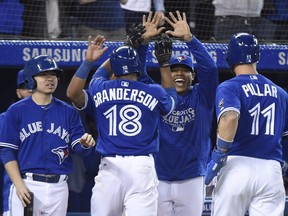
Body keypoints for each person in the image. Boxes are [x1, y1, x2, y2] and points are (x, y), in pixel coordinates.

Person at [66, 13, 177, 216]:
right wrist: (164, 64)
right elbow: (171, 103)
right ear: (138, 67)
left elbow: (85, 84)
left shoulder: (100, 87)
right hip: (142, 166)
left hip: (111, 166)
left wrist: (128, 45)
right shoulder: (154, 91)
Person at [0, 55, 96, 215]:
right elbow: (7, 151)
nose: (50, 78)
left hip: (59, 186)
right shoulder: (15, 111)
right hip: (27, 183)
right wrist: (18, 184)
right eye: (43, 74)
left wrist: (85, 143)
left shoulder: (68, 111)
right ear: (31, 79)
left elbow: (78, 147)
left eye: (53, 75)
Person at [205, 32, 288, 216]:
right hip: (271, 170)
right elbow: (286, 136)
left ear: (231, 56)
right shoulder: (281, 93)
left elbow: (230, 118)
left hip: (237, 166)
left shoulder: (230, 86)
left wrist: (219, 155)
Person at [150, 11, 218, 216]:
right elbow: (140, 75)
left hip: (192, 178)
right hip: (159, 177)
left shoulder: (202, 96)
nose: (179, 73)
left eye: (184, 70)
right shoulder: (156, 94)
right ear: (166, 73)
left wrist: (190, 39)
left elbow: (211, 68)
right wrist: (144, 43)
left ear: (193, 75)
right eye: (174, 69)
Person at [1, 69, 32, 215]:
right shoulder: (5, 118)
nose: (30, 90)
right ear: (18, 92)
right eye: (26, 87)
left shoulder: (52, 115)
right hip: (12, 184)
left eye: (33, 85)